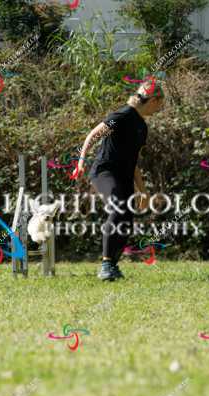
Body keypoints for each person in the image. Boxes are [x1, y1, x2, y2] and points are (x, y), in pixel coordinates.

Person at [73, 80, 165, 280]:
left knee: (126, 219)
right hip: (104, 172)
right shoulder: (122, 116)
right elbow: (93, 135)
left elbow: (134, 161)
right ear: (154, 100)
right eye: (160, 104)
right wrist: (81, 161)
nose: (160, 108)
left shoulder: (142, 127)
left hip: (124, 176)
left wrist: (143, 191)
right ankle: (106, 264)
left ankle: (113, 265)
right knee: (117, 207)